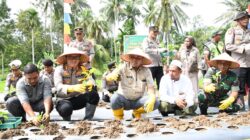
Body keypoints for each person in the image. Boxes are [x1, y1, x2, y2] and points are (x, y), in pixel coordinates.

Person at [106, 48, 159, 120]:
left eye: (138, 58)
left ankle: (137, 112)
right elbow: (109, 81)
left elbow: (150, 87)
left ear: (142, 60)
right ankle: (118, 118)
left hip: (139, 101)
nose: (135, 60)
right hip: (124, 99)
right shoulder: (122, 68)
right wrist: (110, 77)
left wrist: (152, 96)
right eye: (133, 57)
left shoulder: (146, 71)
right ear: (129, 58)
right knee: (114, 98)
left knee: (156, 102)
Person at [54, 47, 99, 121]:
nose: (74, 60)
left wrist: (90, 83)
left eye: (76, 57)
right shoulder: (59, 69)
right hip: (63, 99)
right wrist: (73, 88)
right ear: (66, 58)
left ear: (79, 59)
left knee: (93, 94)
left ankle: (88, 120)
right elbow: (58, 86)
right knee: (66, 109)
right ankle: (67, 121)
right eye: (71, 57)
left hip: (78, 98)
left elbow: (91, 81)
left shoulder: (83, 69)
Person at [225, 11, 250, 110]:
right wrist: (243, 48)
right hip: (239, 64)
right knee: (239, 88)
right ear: (238, 20)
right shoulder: (232, 31)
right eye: (243, 18)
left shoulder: (249, 31)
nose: (246, 19)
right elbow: (228, 46)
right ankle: (240, 109)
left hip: (249, 63)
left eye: (247, 18)